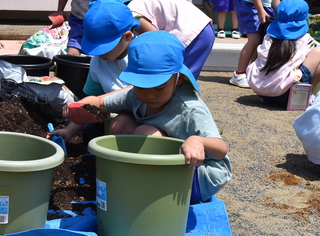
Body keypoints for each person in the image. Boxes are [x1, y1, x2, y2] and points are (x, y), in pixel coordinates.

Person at [66, 31, 232, 204]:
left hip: (196, 175)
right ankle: (134, 177)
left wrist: (198, 141)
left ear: (179, 78)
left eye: (159, 88)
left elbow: (221, 150)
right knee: (120, 123)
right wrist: (74, 117)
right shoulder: (136, 95)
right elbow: (100, 102)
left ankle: (144, 188)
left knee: (146, 132)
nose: (150, 95)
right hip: (164, 163)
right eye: (141, 86)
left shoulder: (190, 109)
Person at [49, 0, 138, 142]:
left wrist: (98, 100)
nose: (98, 53)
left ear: (127, 37)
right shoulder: (98, 62)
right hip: (119, 119)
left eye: (104, 48)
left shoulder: (143, 54)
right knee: (91, 133)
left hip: (150, 119)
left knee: (120, 126)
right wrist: (69, 130)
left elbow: (139, 91)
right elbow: (90, 106)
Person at [103, 0, 215, 80]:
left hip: (193, 32)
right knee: (182, 77)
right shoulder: (138, 6)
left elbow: (158, 42)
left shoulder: (133, 14)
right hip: (201, 28)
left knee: (177, 79)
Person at [246, 0, 320, 106]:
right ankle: (307, 95)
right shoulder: (305, 39)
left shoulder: (269, 36)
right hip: (288, 95)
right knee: (317, 52)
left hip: (260, 90)